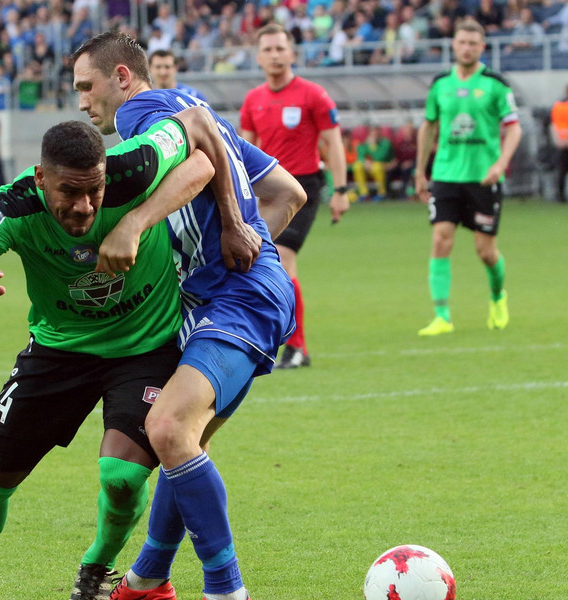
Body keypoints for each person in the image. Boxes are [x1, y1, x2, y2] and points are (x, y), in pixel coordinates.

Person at [0, 111, 227, 600]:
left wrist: (139, 220)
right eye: (70, 192)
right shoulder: (15, 204)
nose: (85, 207)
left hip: (144, 348)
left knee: (123, 476)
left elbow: (197, 129)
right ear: (42, 179)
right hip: (58, 352)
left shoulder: (136, 166)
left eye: (96, 191)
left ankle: (95, 569)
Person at [72, 31, 305, 600]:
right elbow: (287, 193)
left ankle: (226, 590)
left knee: (169, 428)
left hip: (240, 300)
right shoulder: (191, 105)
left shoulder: (143, 114)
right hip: (236, 295)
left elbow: (201, 163)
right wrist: (238, 243)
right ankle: (148, 577)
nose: (82, 102)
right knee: (184, 443)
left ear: (122, 77)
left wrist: (204, 225)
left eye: (87, 86)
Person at [238, 23, 351, 369]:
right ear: (258, 57)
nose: (274, 55)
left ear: (291, 53)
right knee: (256, 262)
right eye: (268, 49)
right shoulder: (253, 100)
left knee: (283, 259)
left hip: (301, 188)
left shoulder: (313, 95)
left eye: (280, 48)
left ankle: (298, 347)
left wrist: (341, 190)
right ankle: (262, 335)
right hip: (264, 189)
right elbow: (244, 150)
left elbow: (333, 142)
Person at [415, 20, 521, 336]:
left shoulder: (495, 84)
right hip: (447, 175)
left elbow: (514, 127)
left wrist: (501, 163)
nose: (467, 48)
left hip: (483, 179)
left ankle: (498, 296)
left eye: (473, 43)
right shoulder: (439, 85)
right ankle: (442, 316)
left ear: (482, 47)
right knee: (440, 239)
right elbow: (429, 126)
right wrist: (420, 171)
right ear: (453, 44)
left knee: (485, 251)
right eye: (462, 42)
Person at [353, 124, 396, 200]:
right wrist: (365, 162)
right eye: (373, 133)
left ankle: (381, 193)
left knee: (377, 166)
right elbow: (360, 156)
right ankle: (364, 193)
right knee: (357, 166)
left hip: (385, 166)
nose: (375, 135)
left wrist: (372, 146)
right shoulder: (365, 143)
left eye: (377, 133)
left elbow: (380, 157)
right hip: (368, 168)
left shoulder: (385, 143)